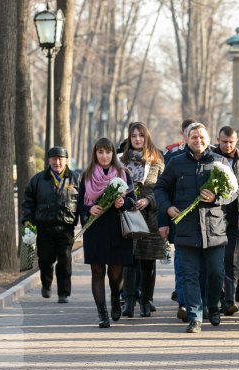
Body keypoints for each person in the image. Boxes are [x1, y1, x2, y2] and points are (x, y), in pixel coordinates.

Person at [155, 122, 237, 333]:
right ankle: (195, 317)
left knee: (216, 273)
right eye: (194, 137)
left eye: (202, 137)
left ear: (209, 140)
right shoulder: (176, 163)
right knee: (189, 274)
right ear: (187, 140)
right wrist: (167, 208)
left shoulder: (220, 162)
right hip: (186, 228)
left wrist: (217, 197)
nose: (198, 141)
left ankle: (213, 306)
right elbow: (160, 188)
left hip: (214, 228)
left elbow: (233, 192)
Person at [78, 137, 136, 328]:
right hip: (95, 229)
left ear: (113, 153)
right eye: (100, 152)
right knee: (97, 271)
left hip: (117, 229)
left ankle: (115, 296)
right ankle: (102, 313)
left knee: (115, 275)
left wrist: (122, 203)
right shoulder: (86, 175)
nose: (104, 156)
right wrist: (88, 210)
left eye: (108, 152)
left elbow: (132, 201)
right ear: (95, 153)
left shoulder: (123, 172)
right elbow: (79, 203)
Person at [21, 146, 79, 304]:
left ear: (66, 160)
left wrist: (87, 219)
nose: (57, 162)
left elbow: (82, 203)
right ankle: (46, 284)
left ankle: (63, 293)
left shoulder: (75, 179)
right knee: (45, 259)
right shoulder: (38, 179)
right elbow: (28, 202)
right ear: (49, 160)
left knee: (65, 261)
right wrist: (27, 219)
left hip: (66, 228)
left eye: (61, 159)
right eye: (54, 158)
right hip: (44, 228)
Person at [120, 122, 165, 318]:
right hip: (128, 216)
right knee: (129, 261)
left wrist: (149, 200)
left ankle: (146, 301)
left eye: (141, 136)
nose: (137, 139)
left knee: (148, 263)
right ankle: (128, 301)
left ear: (146, 138)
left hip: (151, 218)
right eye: (134, 136)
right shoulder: (121, 162)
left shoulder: (157, 161)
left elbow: (163, 189)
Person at [215, 126, 239, 316]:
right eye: (224, 142)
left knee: (233, 258)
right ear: (218, 139)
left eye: (231, 142)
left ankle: (229, 300)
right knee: (216, 259)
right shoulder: (210, 159)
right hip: (214, 215)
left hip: (237, 216)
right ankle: (218, 298)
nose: (228, 145)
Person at [165, 119, 197, 321]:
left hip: (204, 224)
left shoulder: (213, 159)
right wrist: (165, 218)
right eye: (190, 133)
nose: (194, 138)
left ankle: (198, 303)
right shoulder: (174, 159)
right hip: (180, 222)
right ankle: (184, 304)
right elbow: (164, 190)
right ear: (184, 135)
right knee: (182, 264)